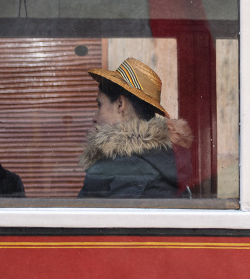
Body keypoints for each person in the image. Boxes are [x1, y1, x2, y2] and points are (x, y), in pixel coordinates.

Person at [78, 58, 192, 198]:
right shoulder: (164, 158)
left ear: (120, 104)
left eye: (99, 105)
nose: (94, 117)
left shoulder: (123, 168)